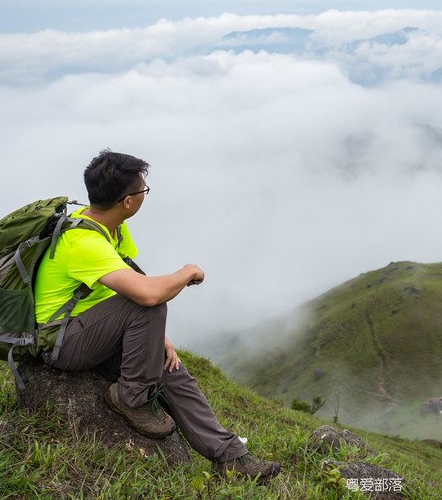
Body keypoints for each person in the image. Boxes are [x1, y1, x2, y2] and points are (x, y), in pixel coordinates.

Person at [34, 149, 280, 483]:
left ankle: (231, 458)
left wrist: (155, 339)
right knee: (149, 303)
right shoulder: (83, 241)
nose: (144, 195)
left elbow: (124, 284)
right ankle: (130, 398)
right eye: (143, 190)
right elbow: (146, 295)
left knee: (170, 368)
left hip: (92, 328)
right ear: (127, 202)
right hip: (63, 342)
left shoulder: (111, 227)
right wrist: (188, 271)